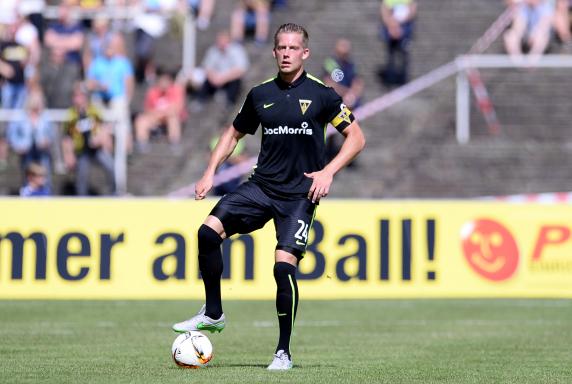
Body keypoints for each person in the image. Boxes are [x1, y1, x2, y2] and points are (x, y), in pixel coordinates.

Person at [172, 23, 366, 370]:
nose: (287, 53)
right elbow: (232, 134)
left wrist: (328, 171)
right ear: (274, 52)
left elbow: (356, 138)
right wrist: (209, 171)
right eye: (282, 48)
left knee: (282, 267)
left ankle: (283, 353)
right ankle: (213, 312)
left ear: (305, 53)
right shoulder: (260, 94)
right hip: (261, 186)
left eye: (294, 48)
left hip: (300, 195)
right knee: (206, 233)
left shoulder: (322, 95)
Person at [62, 84, 116, 196]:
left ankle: (114, 193)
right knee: (82, 176)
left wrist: (100, 139)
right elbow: (67, 137)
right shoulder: (71, 115)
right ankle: (82, 200)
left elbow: (104, 128)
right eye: (76, 96)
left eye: (80, 96)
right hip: (81, 151)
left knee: (110, 166)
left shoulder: (94, 111)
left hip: (96, 149)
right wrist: (69, 155)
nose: (78, 99)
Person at [192, 30, 249, 110]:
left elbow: (241, 69)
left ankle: (230, 102)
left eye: (223, 40)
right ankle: (200, 100)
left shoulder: (237, 50)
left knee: (236, 81)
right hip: (216, 78)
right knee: (205, 80)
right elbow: (207, 67)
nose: (221, 43)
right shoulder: (213, 50)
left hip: (230, 78)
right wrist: (213, 77)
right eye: (219, 40)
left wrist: (224, 78)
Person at [134, 67, 186, 153]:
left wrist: (162, 113)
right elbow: (147, 109)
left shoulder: (176, 90)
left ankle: (174, 142)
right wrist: (159, 114)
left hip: (170, 117)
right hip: (156, 117)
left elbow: (177, 108)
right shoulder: (152, 92)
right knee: (141, 120)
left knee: (173, 118)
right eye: (161, 80)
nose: (163, 83)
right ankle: (142, 143)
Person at [379, 0, 417, 86]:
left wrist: (399, 24)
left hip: (404, 28)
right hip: (391, 28)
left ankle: (403, 78)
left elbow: (412, 10)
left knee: (404, 54)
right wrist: (393, 26)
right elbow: (384, 10)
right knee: (391, 55)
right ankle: (390, 78)